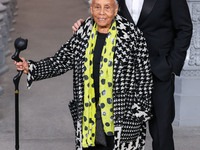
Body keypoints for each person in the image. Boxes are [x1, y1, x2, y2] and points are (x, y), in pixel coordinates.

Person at [15, 0, 153, 149]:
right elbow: (61, 60)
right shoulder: (83, 32)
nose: (101, 12)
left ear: (116, 9)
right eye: (97, 7)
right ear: (91, 9)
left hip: (122, 118)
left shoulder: (132, 35)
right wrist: (31, 67)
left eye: (107, 7)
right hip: (90, 115)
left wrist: (137, 114)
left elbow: (144, 80)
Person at [73, 0, 193, 150]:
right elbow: (105, 13)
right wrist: (85, 25)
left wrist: (172, 65)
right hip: (124, 72)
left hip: (159, 70)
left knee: (162, 130)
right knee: (122, 131)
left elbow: (184, 27)